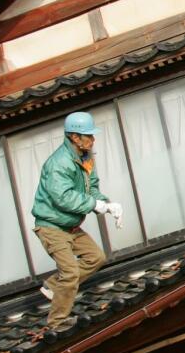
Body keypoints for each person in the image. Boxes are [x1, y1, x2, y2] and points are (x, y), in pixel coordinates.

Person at [31, 111, 124, 327]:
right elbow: (63, 198)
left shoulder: (85, 158)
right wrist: (95, 205)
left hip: (70, 226)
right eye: (89, 136)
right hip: (51, 226)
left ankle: (54, 286)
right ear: (74, 137)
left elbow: (92, 189)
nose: (93, 140)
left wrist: (108, 205)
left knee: (96, 257)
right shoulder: (59, 164)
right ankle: (56, 323)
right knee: (71, 273)